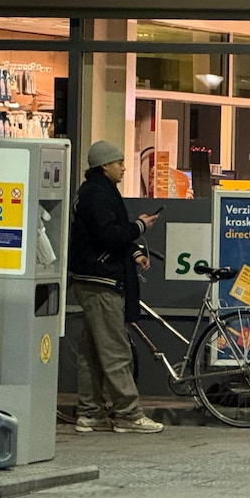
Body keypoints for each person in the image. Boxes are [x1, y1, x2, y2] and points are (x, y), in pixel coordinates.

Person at [69, 140, 164, 434]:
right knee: (114, 349)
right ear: (104, 165)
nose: (123, 167)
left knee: (92, 351)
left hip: (90, 277)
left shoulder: (96, 191)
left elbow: (107, 234)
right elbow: (109, 235)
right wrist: (139, 227)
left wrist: (133, 249)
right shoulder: (98, 194)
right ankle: (128, 414)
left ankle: (91, 412)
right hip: (101, 281)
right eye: (119, 162)